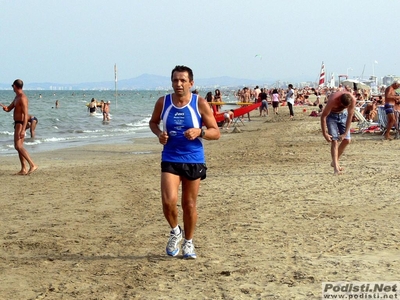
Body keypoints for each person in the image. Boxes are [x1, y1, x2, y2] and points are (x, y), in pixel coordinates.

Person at [149, 65, 220, 259]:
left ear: (191, 83)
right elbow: (153, 122)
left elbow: (216, 132)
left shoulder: (199, 103)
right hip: (170, 156)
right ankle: (175, 232)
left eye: (182, 80)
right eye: (175, 80)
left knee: (189, 204)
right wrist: (159, 134)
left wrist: (201, 132)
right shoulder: (163, 102)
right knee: (168, 201)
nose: (178, 84)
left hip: (193, 158)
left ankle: (188, 242)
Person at [0, 79, 38, 175]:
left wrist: (23, 129)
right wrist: (5, 107)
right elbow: (9, 108)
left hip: (21, 123)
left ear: (16, 86)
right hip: (17, 123)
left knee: (18, 146)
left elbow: (25, 115)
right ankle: (23, 169)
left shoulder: (22, 98)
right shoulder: (17, 97)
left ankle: (32, 164)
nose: (12, 87)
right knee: (19, 147)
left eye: (12, 86)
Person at [320, 90, 356, 175]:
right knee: (334, 141)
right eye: (342, 106)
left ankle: (334, 161)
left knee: (347, 140)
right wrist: (325, 133)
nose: (343, 107)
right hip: (331, 116)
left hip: (343, 116)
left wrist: (345, 133)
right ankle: (336, 168)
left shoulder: (352, 100)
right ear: (339, 101)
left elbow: (350, 117)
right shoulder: (333, 99)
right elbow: (323, 117)